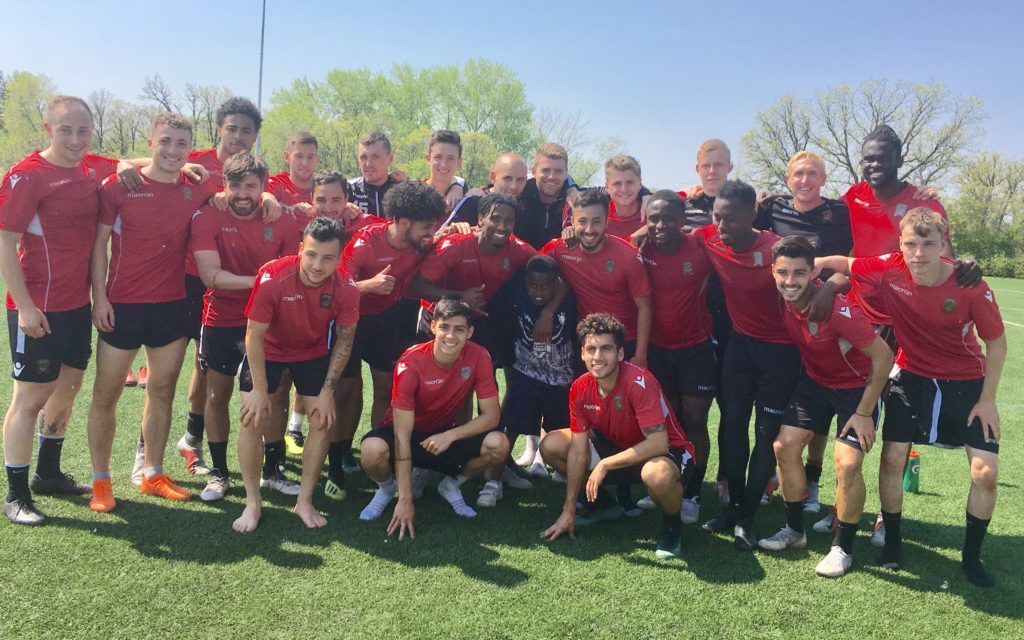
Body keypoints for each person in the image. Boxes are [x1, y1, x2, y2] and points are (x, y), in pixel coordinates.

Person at [817, 208, 1007, 587]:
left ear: (943, 246)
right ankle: (894, 544)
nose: (918, 253)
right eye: (910, 244)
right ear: (900, 244)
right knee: (891, 459)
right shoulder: (889, 267)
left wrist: (987, 400)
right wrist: (814, 266)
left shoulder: (969, 284)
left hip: (966, 382)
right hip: (911, 375)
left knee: (985, 474)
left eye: (928, 244)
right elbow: (844, 263)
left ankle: (971, 558)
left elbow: (997, 343)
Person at [85, 113, 219, 511]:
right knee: (105, 395)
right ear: (150, 142)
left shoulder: (196, 188)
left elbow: (237, 195)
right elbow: (98, 246)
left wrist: (265, 199)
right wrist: (100, 298)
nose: (173, 151)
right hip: (121, 305)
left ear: (190, 148)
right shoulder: (119, 185)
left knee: (161, 392)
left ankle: (154, 473)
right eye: (165, 142)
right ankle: (100, 481)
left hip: (170, 306)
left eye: (181, 144)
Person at [0, 96, 120, 525]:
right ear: (49, 130)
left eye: (83, 130)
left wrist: (189, 167)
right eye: (65, 130)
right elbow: (4, 244)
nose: (75, 139)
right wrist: (26, 307)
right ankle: (15, 494)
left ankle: (48, 474)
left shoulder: (90, 168)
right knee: (29, 399)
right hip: (38, 309)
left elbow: (137, 161)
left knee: (66, 391)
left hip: (75, 307)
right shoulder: (27, 176)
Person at [762, 236, 893, 577]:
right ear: (773, 272)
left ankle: (843, 548)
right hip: (815, 385)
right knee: (784, 446)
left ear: (813, 273)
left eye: (799, 273)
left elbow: (883, 356)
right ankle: (794, 531)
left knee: (848, 464)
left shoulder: (836, 309)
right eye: (783, 273)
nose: (790, 281)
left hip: (854, 390)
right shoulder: (781, 299)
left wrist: (864, 412)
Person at [232, 217, 359, 532]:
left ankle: (304, 501)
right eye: (312, 254)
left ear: (339, 258)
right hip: (268, 351)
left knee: (323, 419)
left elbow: (344, 340)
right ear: (301, 248)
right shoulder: (272, 276)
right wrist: (261, 391)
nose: (318, 265)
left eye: (328, 258)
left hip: (311, 352)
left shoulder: (346, 287)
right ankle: (252, 502)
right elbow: (254, 337)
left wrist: (328, 392)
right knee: (252, 416)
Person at [695, 180, 801, 550]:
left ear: (753, 214)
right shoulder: (709, 238)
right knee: (732, 426)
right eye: (718, 217)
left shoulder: (776, 249)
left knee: (766, 434)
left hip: (781, 352)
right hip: (739, 346)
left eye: (732, 219)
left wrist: (830, 287)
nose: (723, 226)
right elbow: (677, 231)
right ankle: (733, 508)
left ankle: (747, 518)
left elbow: (818, 274)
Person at [539, 313, 695, 560]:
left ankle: (672, 527)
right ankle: (603, 506)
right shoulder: (580, 387)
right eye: (591, 349)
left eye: (606, 349)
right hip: (620, 447)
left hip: (666, 452)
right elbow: (578, 450)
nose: (597, 357)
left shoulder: (638, 382)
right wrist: (567, 510)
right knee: (552, 444)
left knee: (656, 475)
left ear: (620, 354)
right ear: (582, 354)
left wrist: (605, 464)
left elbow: (658, 442)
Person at [189, 153, 297, 502]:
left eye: (252, 185)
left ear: (264, 187)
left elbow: (292, 274)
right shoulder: (208, 216)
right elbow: (211, 276)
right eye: (235, 185)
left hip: (269, 320)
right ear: (225, 185)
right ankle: (220, 474)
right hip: (221, 317)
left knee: (275, 394)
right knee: (217, 394)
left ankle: (273, 470)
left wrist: (267, 288)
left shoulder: (281, 219)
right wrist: (264, 281)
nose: (243, 193)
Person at [754, 150, 854, 514]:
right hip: (784, 314)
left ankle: (812, 479)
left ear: (824, 179)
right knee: (787, 400)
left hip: (828, 313)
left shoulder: (839, 212)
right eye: (799, 174)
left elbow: (850, 263)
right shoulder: (772, 207)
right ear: (788, 178)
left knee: (820, 404)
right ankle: (771, 475)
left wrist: (829, 288)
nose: (805, 180)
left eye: (813, 173)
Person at [358, 297, 508, 537]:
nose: (451, 336)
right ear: (433, 327)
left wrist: (450, 435)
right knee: (371, 450)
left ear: (470, 332)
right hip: (407, 432)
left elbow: (491, 416)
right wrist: (405, 499)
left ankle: (450, 486)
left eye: (459, 329)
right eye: (445, 327)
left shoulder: (480, 356)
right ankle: (387, 490)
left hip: (443, 434)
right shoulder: (410, 362)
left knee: (499, 444)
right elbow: (402, 433)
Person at [338, 181, 447, 474]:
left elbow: (439, 249)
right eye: (426, 226)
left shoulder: (418, 245)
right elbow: (334, 290)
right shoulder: (364, 243)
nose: (431, 233)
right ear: (404, 222)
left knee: (386, 387)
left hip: (386, 321)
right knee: (347, 390)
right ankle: (341, 452)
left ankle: (378, 446)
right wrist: (368, 285)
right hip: (351, 322)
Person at [637, 191, 716, 525]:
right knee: (666, 423)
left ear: (683, 220)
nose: (660, 225)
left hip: (697, 348)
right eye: (653, 218)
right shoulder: (639, 250)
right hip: (657, 350)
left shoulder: (701, 248)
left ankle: (694, 490)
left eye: (668, 217)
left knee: (695, 419)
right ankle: (668, 481)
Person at [484, 254, 576, 497]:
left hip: (561, 379)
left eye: (545, 287)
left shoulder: (569, 298)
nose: (538, 292)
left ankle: (573, 480)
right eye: (532, 286)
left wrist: (548, 312)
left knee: (566, 432)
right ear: (525, 281)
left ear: (555, 283)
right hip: (526, 374)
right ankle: (494, 482)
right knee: (510, 427)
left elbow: (567, 283)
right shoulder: (515, 292)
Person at [516, 143, 575, 250]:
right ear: (534, 172)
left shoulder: (577, 202)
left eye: (558, 171)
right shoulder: (519, 194)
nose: (551, 177)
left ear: (566, 174)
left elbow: (609, 191)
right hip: (518, 263)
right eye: (545, 170)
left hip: (559, 264)